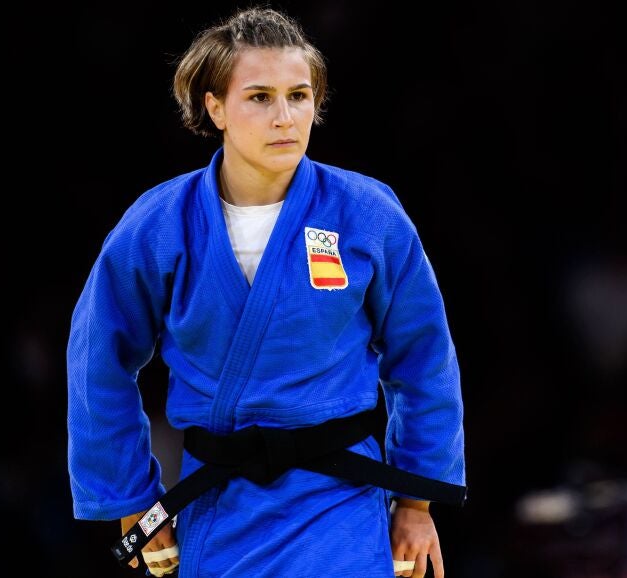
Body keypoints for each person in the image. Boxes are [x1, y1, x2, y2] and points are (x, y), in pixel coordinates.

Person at [66, 6, 465, 578]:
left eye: (298, 96)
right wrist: (132, 504)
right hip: (218, 503)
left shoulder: (367, 213)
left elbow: (424, 357)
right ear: (215, 108)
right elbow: (97, 361)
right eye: (259, 97)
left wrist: (415, 503)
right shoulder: (159, 224)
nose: (284, 117)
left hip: (340, 503)